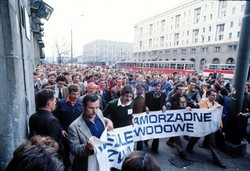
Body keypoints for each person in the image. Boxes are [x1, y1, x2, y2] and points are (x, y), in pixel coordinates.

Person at [68, 93, 113, 171]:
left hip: (103, 159)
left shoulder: (99, 112)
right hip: (87, 165)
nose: (95, 111)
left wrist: (109, 122)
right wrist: (87, 147)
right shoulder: (74, 127)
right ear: (83, 106)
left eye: (97, 107)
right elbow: (74, 149)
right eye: (91, 108)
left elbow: (104, 119)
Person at [186, 89, 226, 168]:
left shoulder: (216, 104)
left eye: (215, 95)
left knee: (212, 143)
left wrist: (220, 125)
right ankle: (188, 148)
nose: (214, 97)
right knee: (195, 137)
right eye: (212, 95)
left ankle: (217, 160)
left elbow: (218, 115)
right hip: (202, 126)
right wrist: (191, 107)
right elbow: (201, 108)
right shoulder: (203, 102)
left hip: (210, 127)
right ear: (208, 96)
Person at [54, 84, 83, 167]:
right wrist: (61, 129)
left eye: (78, 94)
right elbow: (56, 118)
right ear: (69, 93)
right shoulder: (61, 103)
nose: (76, 96)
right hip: (65, 132)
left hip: (78, 132)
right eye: (74, 94)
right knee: (66, 151)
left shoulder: (82, 103)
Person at [145, 81, 166, 153]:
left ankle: (155, 148)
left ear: (160, 87)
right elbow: (144, 103)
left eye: (158, 86)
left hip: (158, 115)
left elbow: (164, 102)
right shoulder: (148, 94)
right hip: (150, 114)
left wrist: (164, 106)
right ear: (153, 87)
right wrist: (146, 107)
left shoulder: (163, 94)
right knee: (149, 129)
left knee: (157, 131)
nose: (157, 88)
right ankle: (146, 139)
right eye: (156, 86)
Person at [133, 84, 146, 150]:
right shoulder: (131, 96)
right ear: (136, 89)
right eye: (141, 90)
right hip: (132, 119)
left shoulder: (144, 96)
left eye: (143, 90)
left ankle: (139, 151)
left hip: (140, 119)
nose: (142, 92)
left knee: (140, 135)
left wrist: (146, 108)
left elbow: (144, 105)